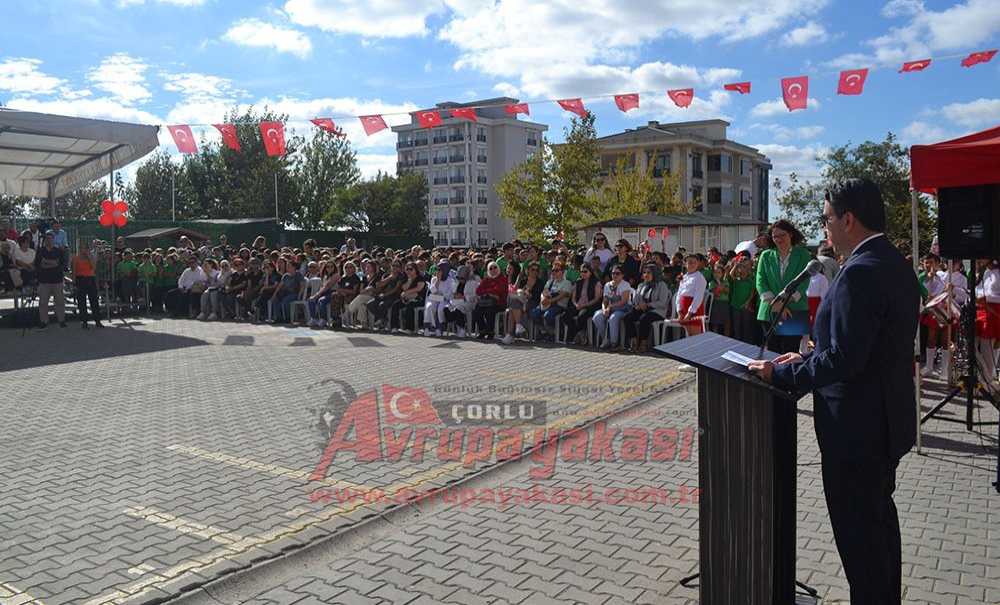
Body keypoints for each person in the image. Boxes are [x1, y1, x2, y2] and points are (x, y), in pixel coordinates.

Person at [749, 178, 918, 605]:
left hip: (856, 435)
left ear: (848, 219)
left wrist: (782, 375)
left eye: (826, 219)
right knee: (879, 538)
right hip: (882, 425)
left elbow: (844, 359)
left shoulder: (860, 272)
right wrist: (803, 359)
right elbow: (858, 348)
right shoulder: (891, 262)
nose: (824, 228)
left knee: (863, 547)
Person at [755, 219, 811, 353]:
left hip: (794, 310)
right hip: (770, 310)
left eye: (782, 235)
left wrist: (784, 304)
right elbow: (760, 281)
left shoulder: (803, 254)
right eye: (775, 236)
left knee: (789, 352)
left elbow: (804, 281)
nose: (779, 239)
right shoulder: (765, 255)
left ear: (791, 234)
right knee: (772, 352)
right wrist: (776, 304)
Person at [622, 264, 670, 353]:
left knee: (644, 318)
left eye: (649, 273)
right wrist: (638, 304)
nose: (646, 275)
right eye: (644, 273)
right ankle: (634, 341)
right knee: (627, 317)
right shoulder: (641, 285)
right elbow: (636, 299)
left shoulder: (661, 285)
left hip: (657, 311)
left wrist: (648, 305)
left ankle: (643, 343)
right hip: (643, 309)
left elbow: (662, 302)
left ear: (655, 273)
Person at [592, 265, 633, 351]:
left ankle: (614, 343)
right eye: (613, 273)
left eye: (617, 273)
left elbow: (623, 301)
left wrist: (609, 307)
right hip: (610, 308)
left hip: (623, 308)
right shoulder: (607, 285)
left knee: (613, 318)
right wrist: (604, 309)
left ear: (622, 275)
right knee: (597, 317)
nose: (615, 275)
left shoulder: (625, 285)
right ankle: (606, 339)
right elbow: (605, 300)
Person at [34, 231, 67, 328]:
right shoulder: (40, 251)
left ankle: (61, 320)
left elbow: (61, 265)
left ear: (53, 240)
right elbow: (39, 264)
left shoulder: (58, 251)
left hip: (57, 280)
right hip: (44, 280)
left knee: (60, 301)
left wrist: (46, 262)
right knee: (43, 302)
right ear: (44, 240)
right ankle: (44, 321)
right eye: (47, 239)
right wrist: (52, 263)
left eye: (50, 238)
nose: (48, 240)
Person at [474, 261, 508, 340]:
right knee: (477, 310)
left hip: (499, 303)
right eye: (491, 268)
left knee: (490, 311)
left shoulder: (502, 278)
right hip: (487, 302)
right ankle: (482, 331)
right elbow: (478, 291)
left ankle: (490, 332)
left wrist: (487, 292)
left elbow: (499, 290)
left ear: (498, 268)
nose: (493, 270)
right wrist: (490, 293)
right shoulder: (486, 279)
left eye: (495, 267)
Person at [675, 254, 707, 337]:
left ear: (698, 264)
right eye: (689, 262)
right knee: (688, 335)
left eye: (694, 262)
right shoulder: (684, 277)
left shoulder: (699, 278)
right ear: (685, 264)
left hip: (694, 310)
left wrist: (689, 313)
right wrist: (679, 311)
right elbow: (679, 295)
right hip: (683, 310)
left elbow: (698, 297)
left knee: (695, 337)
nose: (692, 265)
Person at [72, 246, 103, 329]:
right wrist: (74, 283)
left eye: (86, 248)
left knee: (94, 300)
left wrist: (89, 257)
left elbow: (94, 267)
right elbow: (74, 271)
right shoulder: (76, 258)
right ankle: (84, 321)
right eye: (83, 248)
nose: (85, 250)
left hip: (90, 279)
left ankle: (97, 320)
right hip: (80, 279)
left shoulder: (91, 257)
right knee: (82, 302)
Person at [423, 261, 456, 336]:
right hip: (435, 299)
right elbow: (433, 291)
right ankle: (429, 327)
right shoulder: (434, 279)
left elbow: (448, 295)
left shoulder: (451, 281)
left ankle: (440, 327)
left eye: (439, 270)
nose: (437, 271)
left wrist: (440, 295)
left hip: (445, 301)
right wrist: (438, 280)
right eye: (437, 269)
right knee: (430, 307)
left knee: (440, 308)